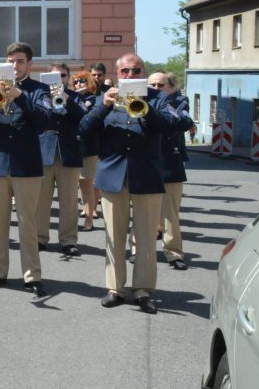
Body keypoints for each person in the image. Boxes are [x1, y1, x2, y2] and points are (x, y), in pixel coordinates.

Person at [79, 53, 179, 314]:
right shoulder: (107, 98)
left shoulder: (158, 98)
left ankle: (144, 290)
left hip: (146, 175)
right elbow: (84, 128)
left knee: (145, 237)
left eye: (136, 71)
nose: (131, 76)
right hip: (113, 177)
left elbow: (171, 126)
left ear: (143, 72)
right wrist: (104, 105)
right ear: (118, 73)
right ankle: (115, 288)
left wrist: (146, 104)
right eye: (125, 71)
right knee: (114, 236)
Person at [0, 42, 50, 298]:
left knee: (27, 224)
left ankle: (32, 276)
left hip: (26, 165)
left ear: (29, 64)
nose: (14, 66)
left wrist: (20, 96)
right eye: (10, 62)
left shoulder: (38, 90)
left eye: (19, 62)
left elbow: (44, 120)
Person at [35, 62, 87, 256]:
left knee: (69, 201)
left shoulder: (75, 97)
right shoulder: (40, 97)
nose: (60, 80)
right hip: (43, 153)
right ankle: (40, 238)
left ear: (68, 78)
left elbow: (83, 118)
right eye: (55, 77)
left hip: (69, 153)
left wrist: (65, 98)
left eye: (63, 76)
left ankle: (68, 240)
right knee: (41, 200)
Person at [149, 71, 194, 270]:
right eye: (152, 85)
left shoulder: (179, 102)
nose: (156, 89)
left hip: (170, 161)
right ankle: (138, 250)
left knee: (171, 213)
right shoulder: (140, 100)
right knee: (144, 212)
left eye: (160, 85)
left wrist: (164, 105)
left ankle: (174, 253)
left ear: (170, 87)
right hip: (146, 162)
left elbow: (183, 123)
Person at [72, 70, 101, 231]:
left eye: (82, 81)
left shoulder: (94, 99)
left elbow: (89, 120)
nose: (78, 84)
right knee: (79, 184)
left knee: (87, 184)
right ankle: (85, 213)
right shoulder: (74, 97)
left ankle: (89, 218)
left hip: (88, 146)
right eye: (75, 82)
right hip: (73, 145)